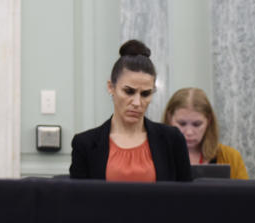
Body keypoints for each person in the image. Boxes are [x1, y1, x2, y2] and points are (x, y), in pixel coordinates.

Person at [70, 39, 191, 182]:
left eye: (145, 94)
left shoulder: (172, 139)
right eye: (129, 92)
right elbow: (78, 200)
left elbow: (186, 197)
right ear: (111, 87)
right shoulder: (85, 143)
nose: (137, 103)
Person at [163, 87, 249, 179]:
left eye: (197, 124)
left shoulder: (230, 157)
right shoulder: (152, 154)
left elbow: (244, 193)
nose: (189, 132)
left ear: (208, 120)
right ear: (169, 119)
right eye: (182, 124)